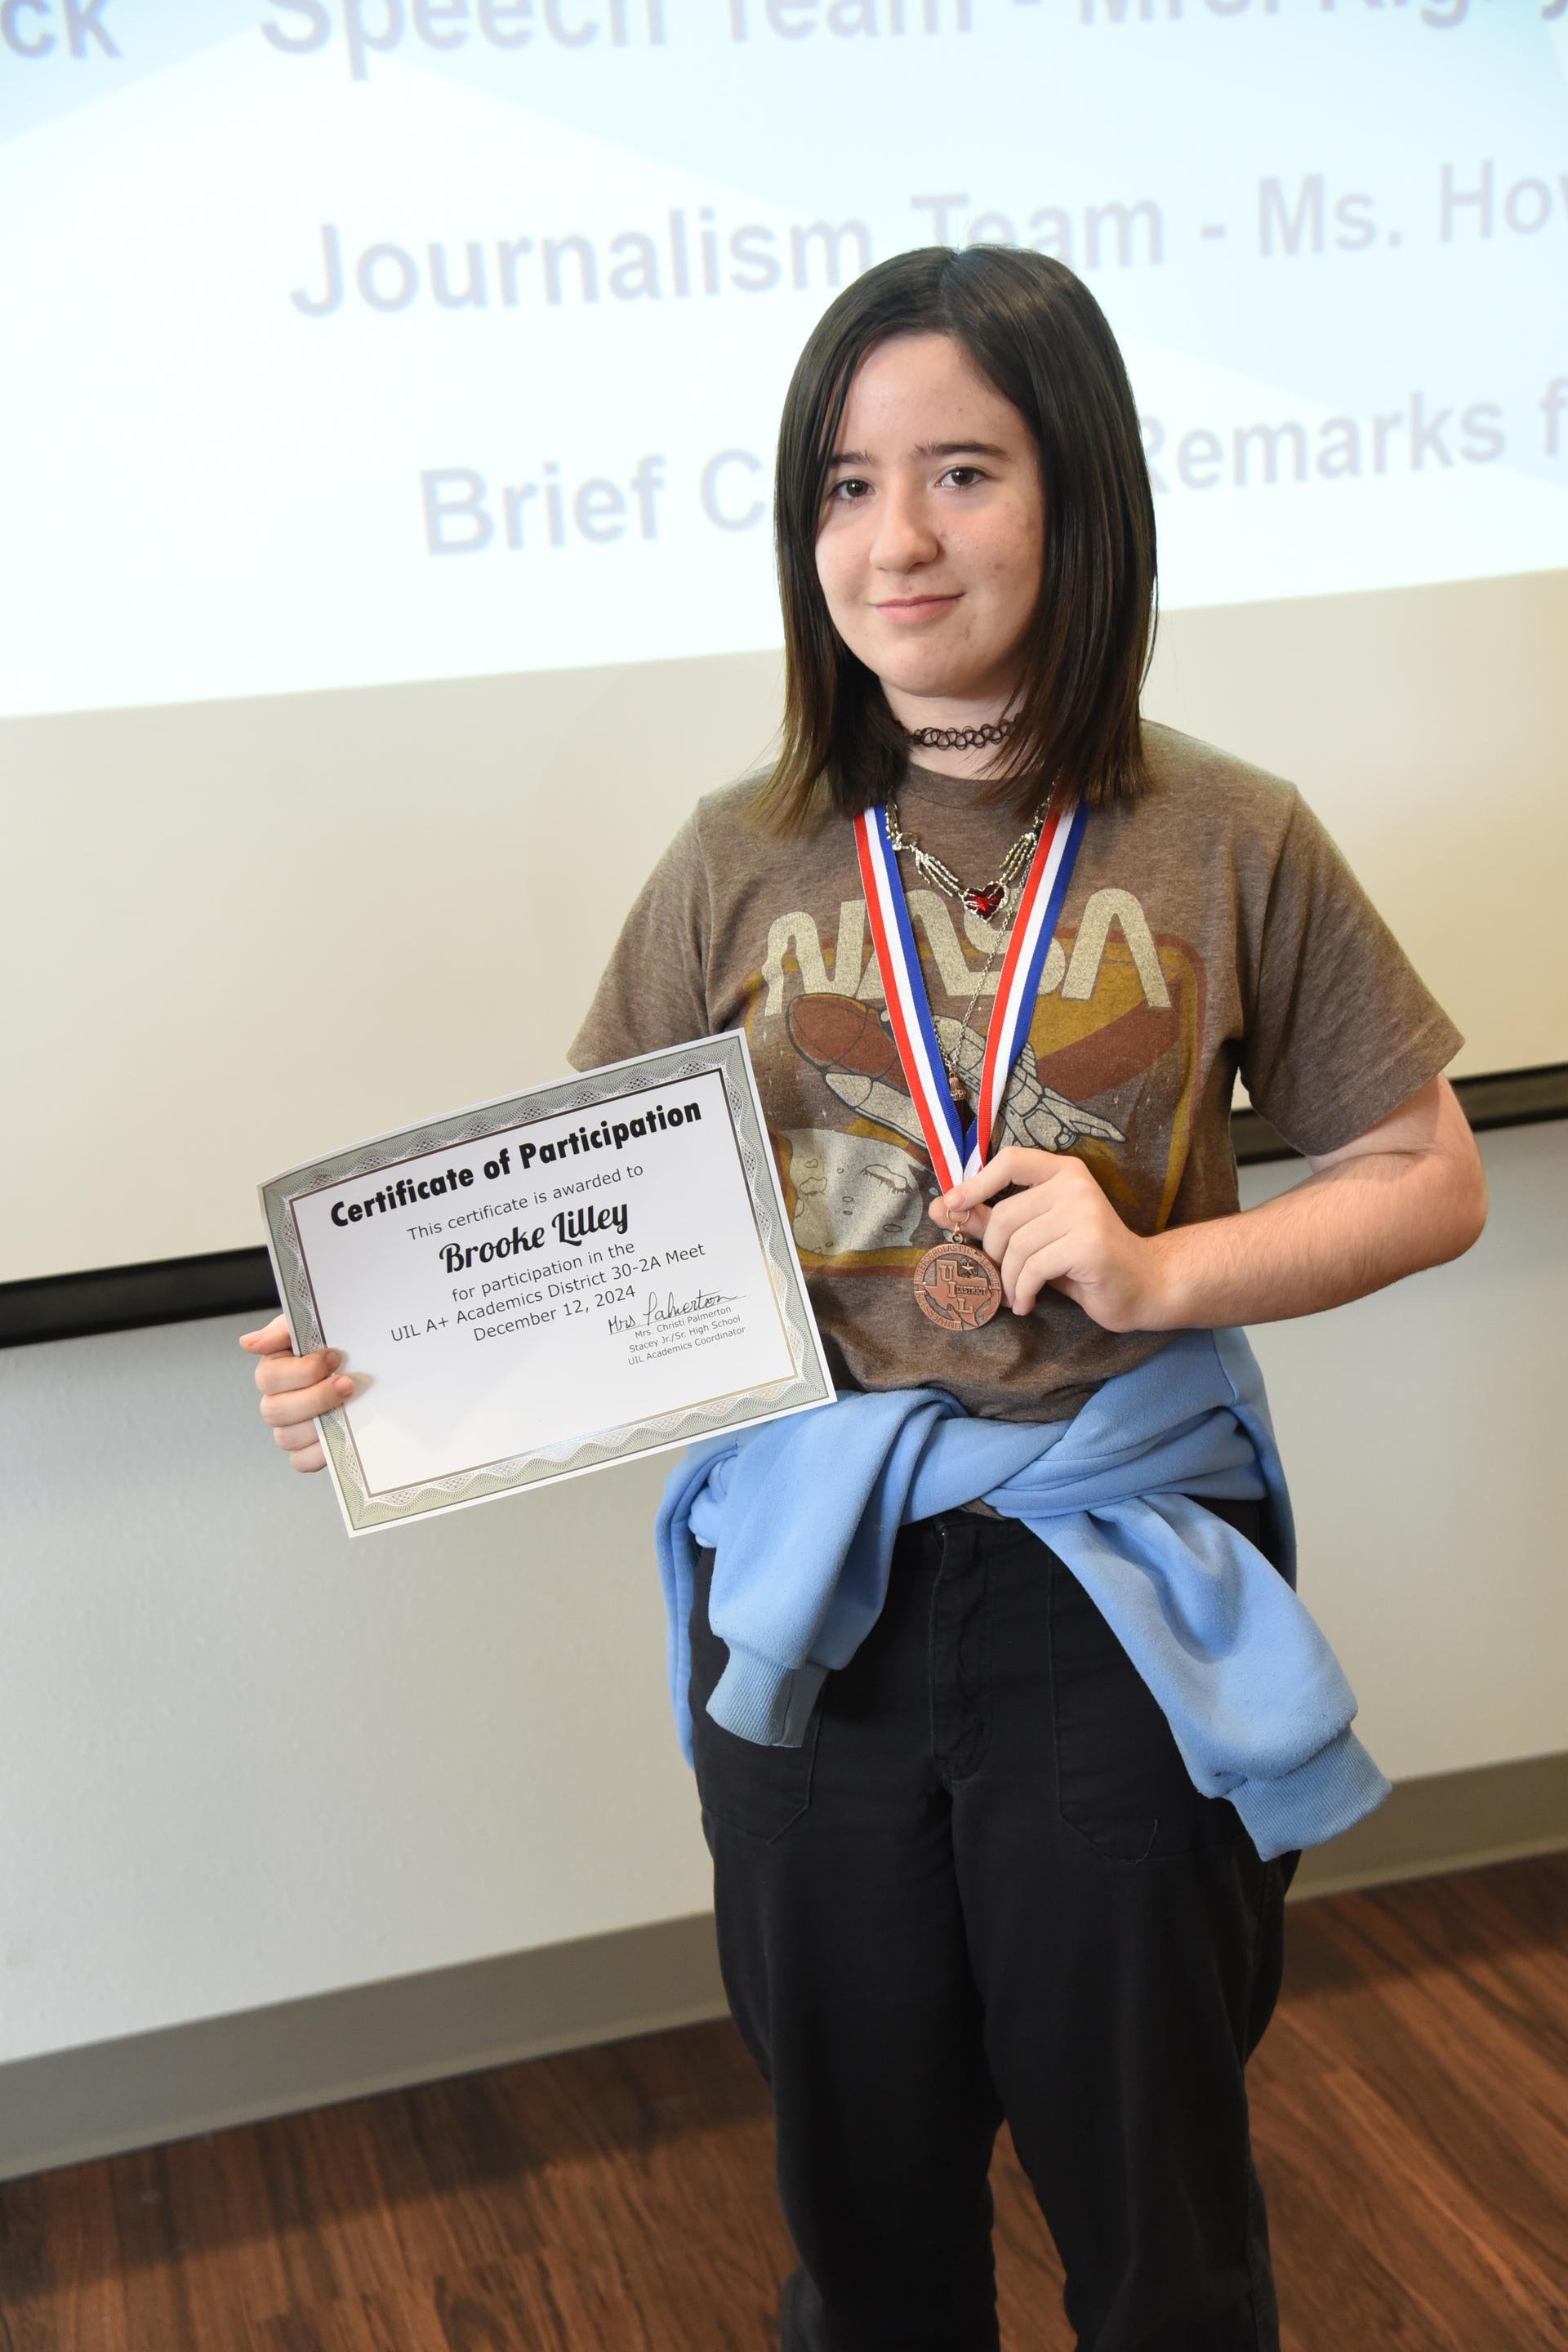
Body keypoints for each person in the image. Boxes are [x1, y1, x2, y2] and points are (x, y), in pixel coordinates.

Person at [240, 247, 1486, 2351]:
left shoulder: (1228, 835)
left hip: (1109, 1582)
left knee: (1158, 2226)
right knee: (869, 2222)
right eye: (842, 484)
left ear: (1080, 495)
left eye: (961, 473)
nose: (892, 538)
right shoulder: (734, 853)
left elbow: (1428, 1174)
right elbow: (575, 1232)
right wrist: (372, 1374)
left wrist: (1160, 1267)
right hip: (818, 1597)